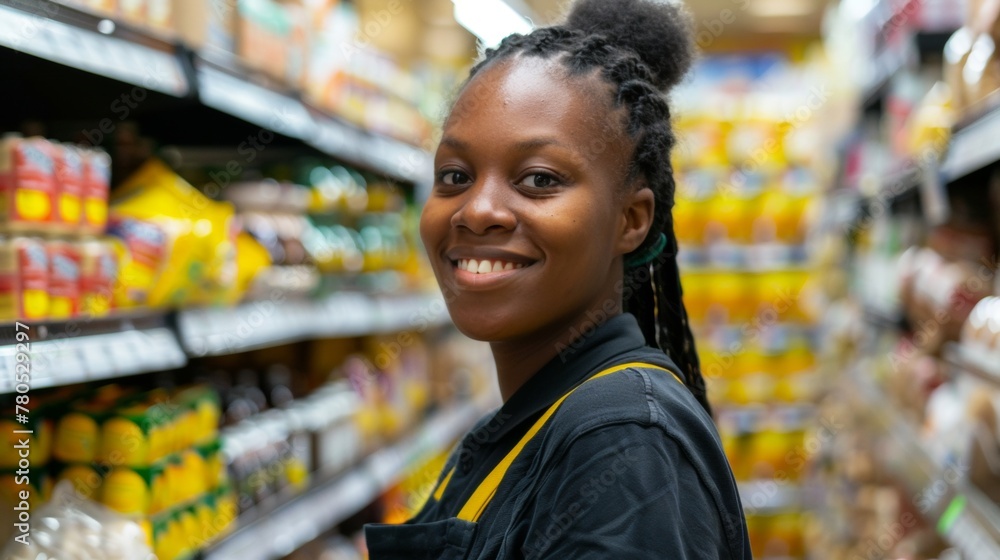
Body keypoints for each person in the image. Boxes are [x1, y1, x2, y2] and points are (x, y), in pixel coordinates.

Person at [364, 0, 752, 558]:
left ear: (631, 220)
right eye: (455, 175)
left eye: (538, 179)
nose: (477, 210)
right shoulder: (545, 412)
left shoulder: (623, 444)